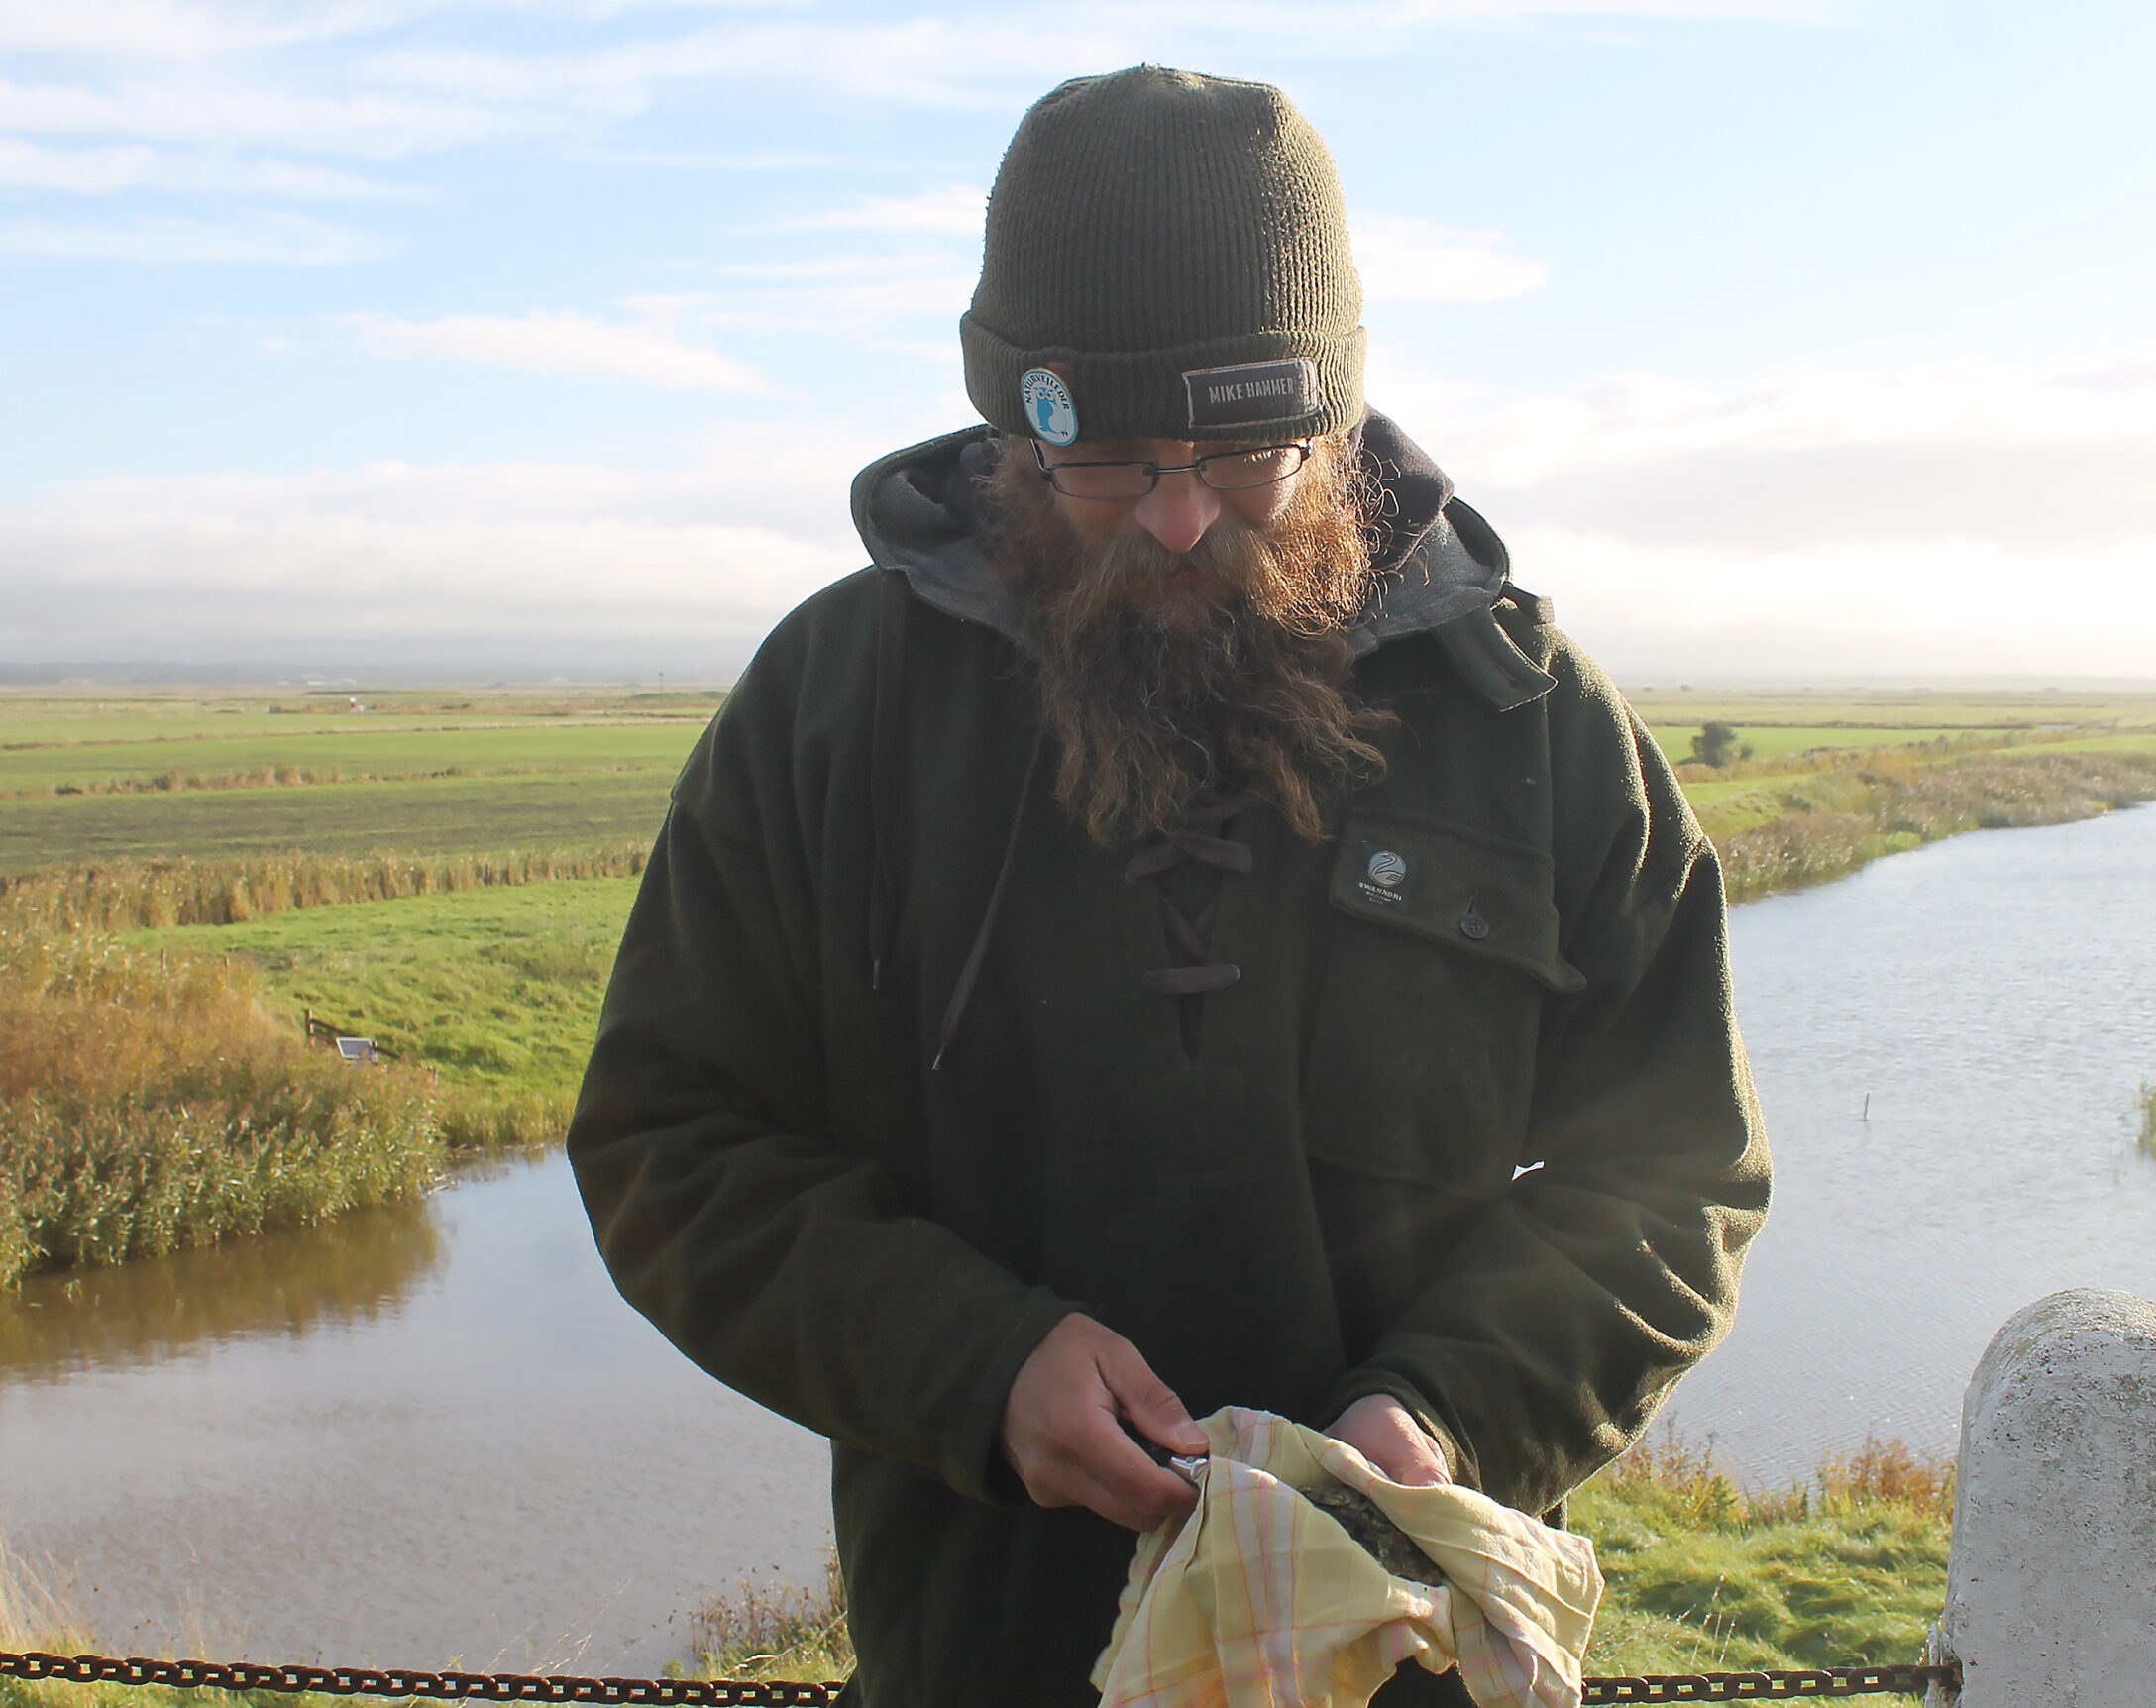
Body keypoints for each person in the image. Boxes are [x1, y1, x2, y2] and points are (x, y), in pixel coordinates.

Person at [569, 64, 1770, 1708]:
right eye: (1117, 464)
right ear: (1015, 431)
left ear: (1333, 424)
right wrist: (973, 1366)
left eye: (1247, 454)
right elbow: (670, 1142)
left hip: (1405, 1661)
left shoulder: (1533, 724)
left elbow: (1679, 1165)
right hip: (984, 1663)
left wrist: (1454, 1413)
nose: (1185, 517)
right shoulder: (832, 713)